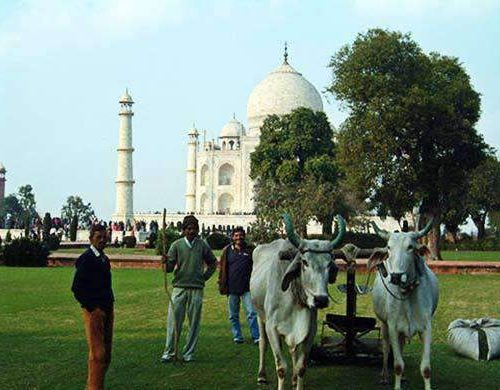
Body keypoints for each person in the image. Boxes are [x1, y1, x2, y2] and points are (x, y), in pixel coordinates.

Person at [161, 215, 217, 362]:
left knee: (194, 323)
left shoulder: (202, 245)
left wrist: (203, 277)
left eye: (194, 229)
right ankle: (169, 352)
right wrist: (165, 262)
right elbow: (169, 269)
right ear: (184, 230)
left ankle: (189, 353)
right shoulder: (176, 245)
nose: (192, 231)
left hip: (196, 288)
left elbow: (213, 262)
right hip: (179, 287)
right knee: (174, 321)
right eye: (189, 229)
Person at [71, 224, 114, 390]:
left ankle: (95, 385)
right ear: (91, 239)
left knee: (106, 354)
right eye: (99, 237)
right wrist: (91, 307)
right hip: (95, 310)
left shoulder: (103, 258)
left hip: (107, 308)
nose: (102, 240)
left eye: (104, 237)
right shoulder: (87, 259)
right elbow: (77, 287)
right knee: (98, 354)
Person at [218, 227, 259, 344]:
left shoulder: (250, 250)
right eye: (236, 235)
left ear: (244, 236)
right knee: (233, 315)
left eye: (240, 235)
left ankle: (256, 336)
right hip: (232, 288)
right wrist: (221, 283)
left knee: (251, 313)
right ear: (232, 237)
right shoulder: (227, 251)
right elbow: (222, 269)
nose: (238, 237)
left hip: (247, 287)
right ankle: (237, 336)